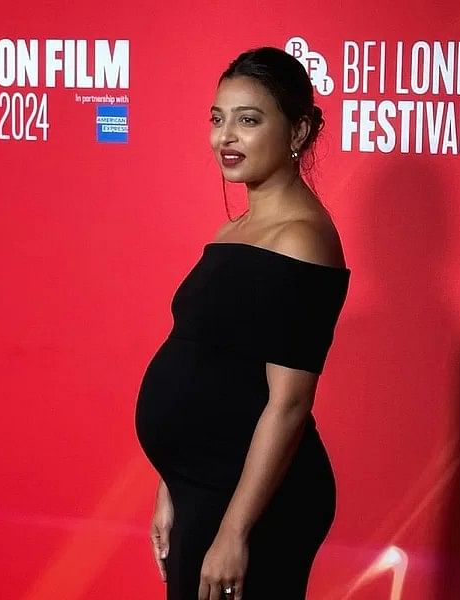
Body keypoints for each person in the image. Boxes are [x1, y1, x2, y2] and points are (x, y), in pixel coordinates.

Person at [134, 46, 351, 600]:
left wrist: (235, 531)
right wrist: (171, 478)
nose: (225, 136)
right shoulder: (235, 230)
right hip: (202, 484)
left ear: (298, 132)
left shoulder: (302, 239)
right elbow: (210, 360)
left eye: (248, 120)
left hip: (255, 500)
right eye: (217, 118)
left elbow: (289, 403)